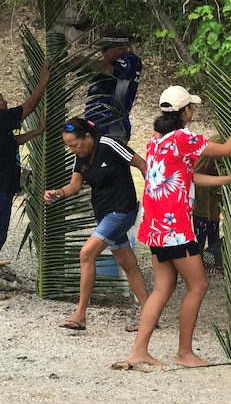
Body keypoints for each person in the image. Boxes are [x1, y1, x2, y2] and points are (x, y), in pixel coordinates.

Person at [127, 87, 231, 367]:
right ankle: (184, 353)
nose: (193, 111)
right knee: (198, 284)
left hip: (155, 226)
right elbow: (227, 149)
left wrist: (227, 180)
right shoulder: (185, 138)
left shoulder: (155, 141)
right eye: (191, 107)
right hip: (175, 227)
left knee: (163, 287)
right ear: (185, 113)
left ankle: (139, 351)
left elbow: (186, 177)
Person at [45, 118, 149, 331]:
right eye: (68, 145)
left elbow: (142, 165)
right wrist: (57, 193)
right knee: (128, 264)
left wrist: (155, 195)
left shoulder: (109, 145)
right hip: (103, 214)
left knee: (86, 254)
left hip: (121, 211)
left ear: (88, 137)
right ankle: (150, 315)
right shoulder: (80, 157)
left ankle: (80, 315)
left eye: (74, 144)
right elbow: (74, 186)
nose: (72, 149)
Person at [0, 60, 50, 254]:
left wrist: (38, 131)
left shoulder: (3, 127)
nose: (5, 102)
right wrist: (43, 82)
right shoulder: (1, 118)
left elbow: (13, 142)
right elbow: (28, 107)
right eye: (1, 100)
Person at [84, 28, 142, 143]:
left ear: (120, 49)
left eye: (105, 49)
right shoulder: (106, 67)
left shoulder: (131, 61)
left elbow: (108, 69)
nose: (102, 53)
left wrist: (80, 62)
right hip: (94, 128)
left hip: (113, 128)